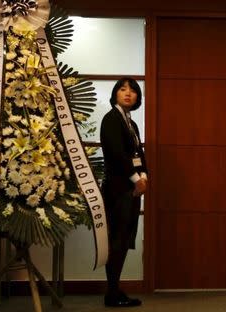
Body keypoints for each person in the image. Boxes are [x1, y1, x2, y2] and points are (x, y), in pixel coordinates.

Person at [100, 77, 147, 307]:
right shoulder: (111, 119)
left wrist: (144, 176)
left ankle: (115, 290)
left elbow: (139, 154)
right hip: (118, 189)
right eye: (122, 89)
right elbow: (117, 155)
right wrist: (136, 179)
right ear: (115, 94)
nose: (128, 93)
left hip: (132, 189)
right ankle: (111, 293)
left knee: (124, 238)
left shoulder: (131, 123)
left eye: (133, 90)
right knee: (117, 240)